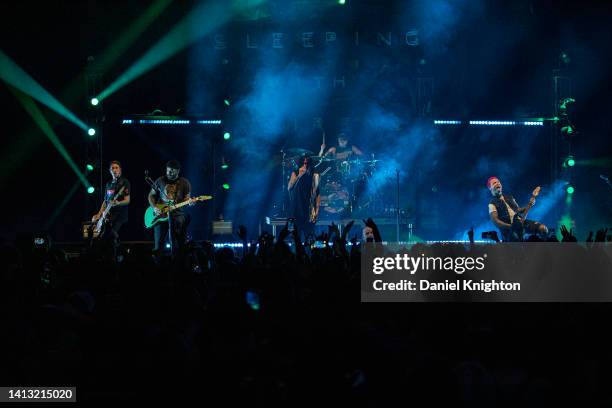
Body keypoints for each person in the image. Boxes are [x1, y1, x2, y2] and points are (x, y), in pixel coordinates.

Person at [148, 160, 192, 254]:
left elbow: (187, 199)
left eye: (172, 171)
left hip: (177, 216)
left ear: (178, 171)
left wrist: (190, 202)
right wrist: (154, 207)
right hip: (160, 215)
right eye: (168, 170)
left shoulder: (184, 183)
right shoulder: (160, 180)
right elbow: (151, 195)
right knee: (158, 246)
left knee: (177, 246)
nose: (169, 173)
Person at [487, 176, 548, 242]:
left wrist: (529, 204)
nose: (498, 183)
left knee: (543, 229)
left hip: (520, 222)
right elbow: (496, 221)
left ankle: (543, 250)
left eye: (498, 182)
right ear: (490, 188)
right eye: (494, 183)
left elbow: (518, 210)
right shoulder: (492, 204)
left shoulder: (510, 197)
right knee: (516, 239)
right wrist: (510, 226)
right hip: (508, 230)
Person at [91, 160, 130, 257]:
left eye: (117, 168)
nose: (115, 170)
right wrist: (99, 214)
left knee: (111, 235)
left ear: (120, 170)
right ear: (110, 170)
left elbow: (127, 200)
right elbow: (105, 201)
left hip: (120, 215)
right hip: (108, 216)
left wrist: (118, 202)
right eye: (113, 168)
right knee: (102, 238)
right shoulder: (108, 184)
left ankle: (123, 252)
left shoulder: (124, 182)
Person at [288, 155, 320, 240]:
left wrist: (317, 210)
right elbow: (289, 187)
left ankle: (309, 252)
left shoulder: (315, 175)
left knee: (309, 236)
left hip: (308, 209)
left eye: (307, 163)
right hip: (296, 209)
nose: (305, 165)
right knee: (294, 236)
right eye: (303, 163)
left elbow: (317, 194)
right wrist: (299, 176)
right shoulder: (295, 172)